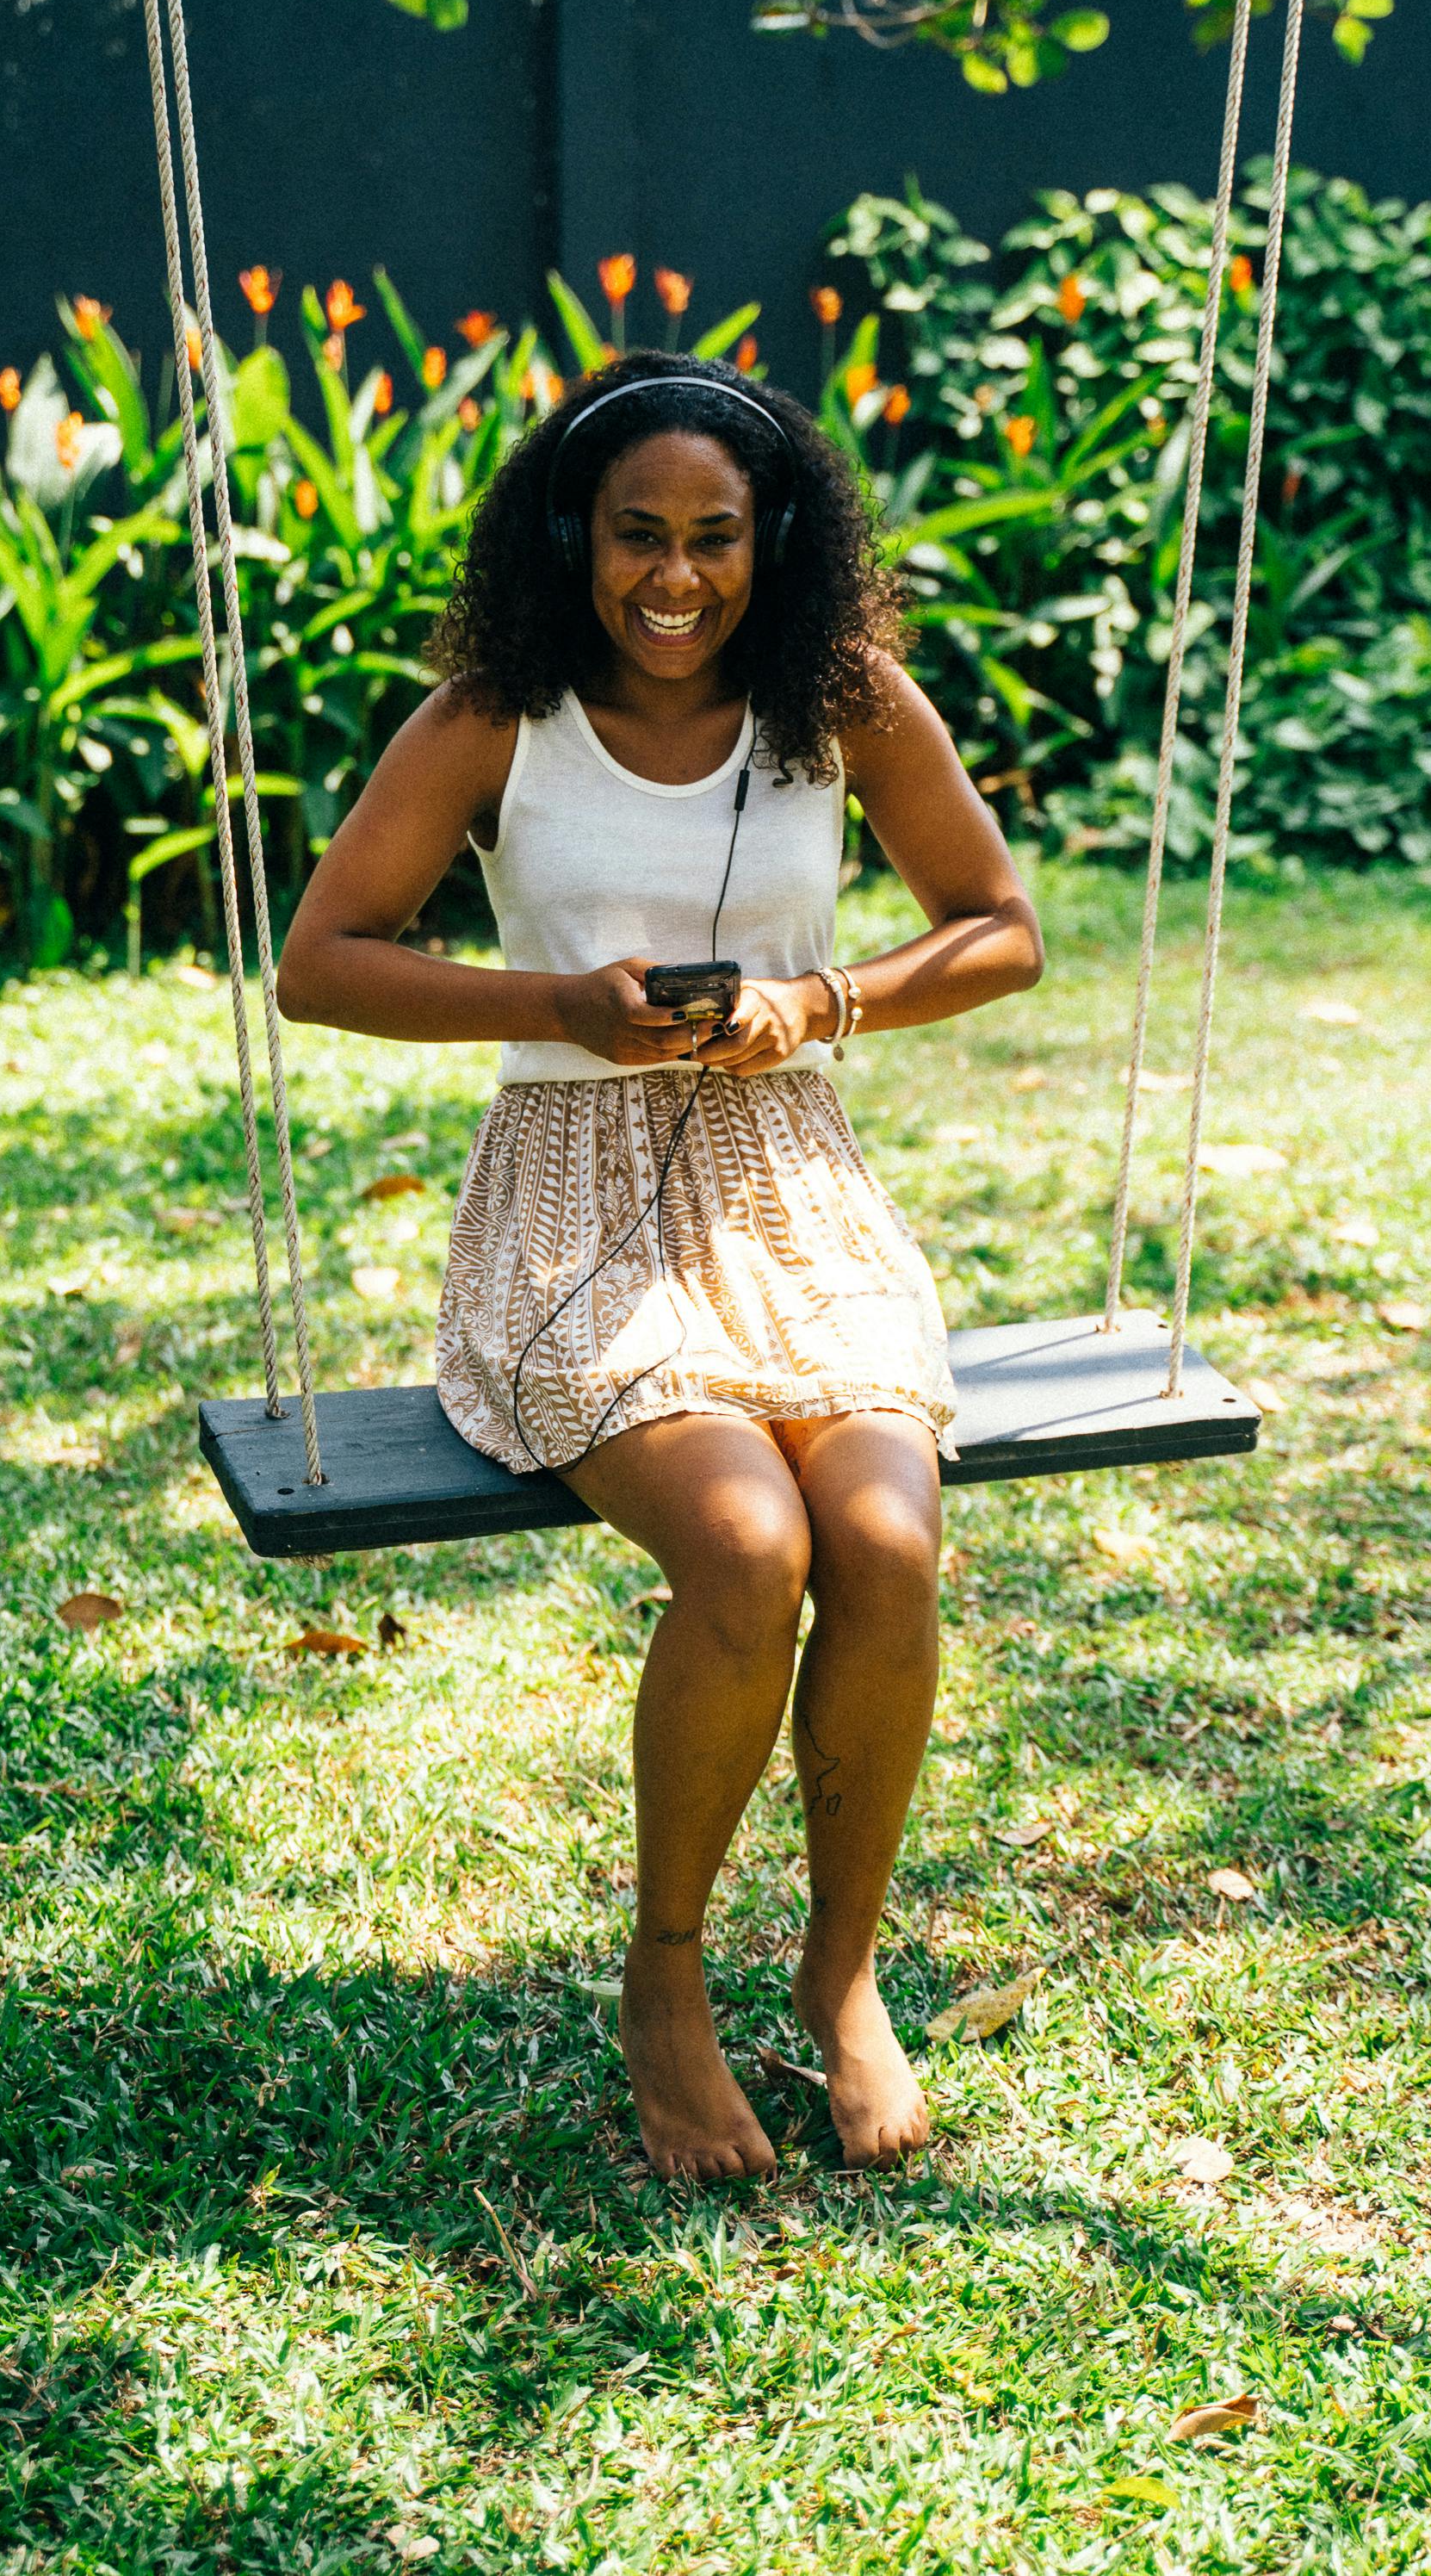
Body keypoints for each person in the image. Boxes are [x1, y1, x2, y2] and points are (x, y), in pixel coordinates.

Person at [277, 353, 1044, 2179]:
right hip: (569, 1196)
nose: (676, 576)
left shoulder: (842, 701)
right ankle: (668, 1976)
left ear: (773, 542)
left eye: (714, 536)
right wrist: (560, 1008)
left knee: (880, 1531)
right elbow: (323, 958)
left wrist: (824, 998)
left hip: (790, 1183)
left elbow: (1001, 929)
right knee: (744, 1539)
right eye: (638, 535)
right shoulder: (495, 714)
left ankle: (841, 1974)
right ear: (575, 535)